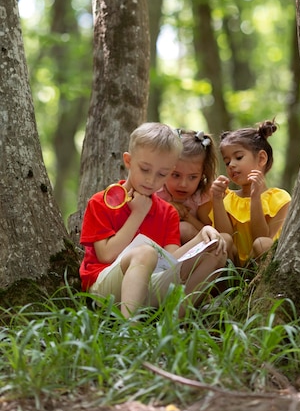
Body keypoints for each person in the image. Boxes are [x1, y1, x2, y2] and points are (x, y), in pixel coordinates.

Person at [79, 122, 227, 318]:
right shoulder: (101, 201)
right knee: (145, 253)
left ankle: (172, 323)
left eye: (162, 174)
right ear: (128, 161)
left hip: (150, 285)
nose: (151, 180)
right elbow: (106, 255)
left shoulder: (168, 212)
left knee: (216, 252)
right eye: (145, 169)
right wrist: (138, 214)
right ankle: (129, 330)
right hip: (106, 287)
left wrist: (201, 237)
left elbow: (172, 261)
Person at [210, 119, 291, 267]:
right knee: (222, 239)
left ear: (261, 158)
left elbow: (263, 242)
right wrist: (217, 200)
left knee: (262, 243)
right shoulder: (228, 198)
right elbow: (226, 238)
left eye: (238, 157)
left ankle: (255, 289)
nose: (231, 165)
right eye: (227, 162)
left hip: (259, 268)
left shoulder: (280, 199)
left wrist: (255, 199)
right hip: (232, 270)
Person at [157, 129, 216, 244]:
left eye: (192, 177)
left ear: (203, 173)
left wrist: (186, 216)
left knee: (184, 229)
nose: (183, 184)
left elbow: (209, 231)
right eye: (176, 175)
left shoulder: (201, 196)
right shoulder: (156, 191)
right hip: (159, 247)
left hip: (192, 249)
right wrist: (166, 208)